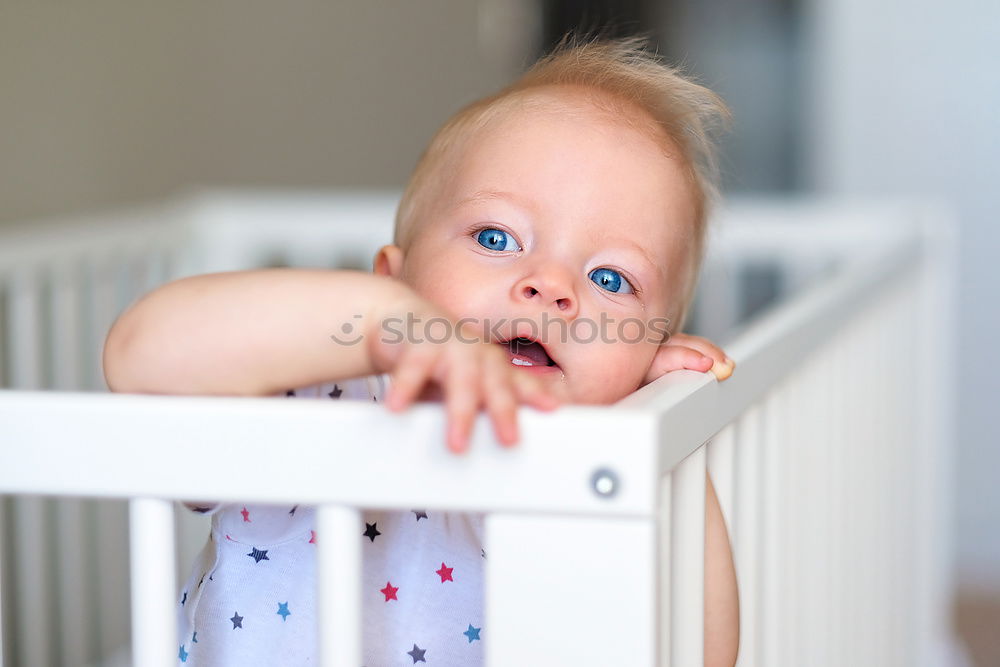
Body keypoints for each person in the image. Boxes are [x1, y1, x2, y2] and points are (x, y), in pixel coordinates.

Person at [104, 34, 739, 667]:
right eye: (496, 236)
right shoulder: (320, 394)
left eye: (610, 280)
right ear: (393, 281)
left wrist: (669, 420)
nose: (552, 287)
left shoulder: (595, 468)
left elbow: (703, 653)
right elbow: (139, 355)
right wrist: (384, 326)